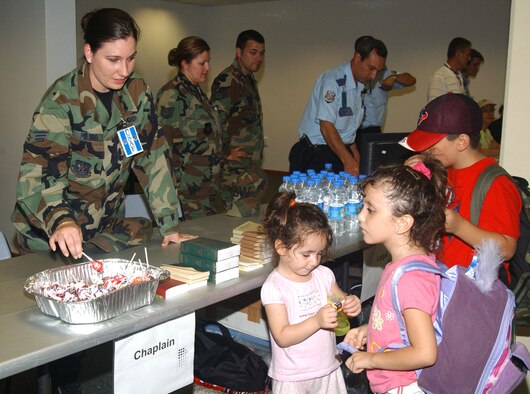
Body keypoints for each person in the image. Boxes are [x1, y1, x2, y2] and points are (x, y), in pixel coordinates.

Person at [12, 8, 192, 260]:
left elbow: (152, 159)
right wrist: (61, 221)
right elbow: (37, 178)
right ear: (89, 53)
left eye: (131, 58)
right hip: (52, 237)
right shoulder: (61, 103)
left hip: (103, 234)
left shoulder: (136, 92)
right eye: (113, 59)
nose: (124, 70)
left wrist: (170, 224)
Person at [343, 155, 447, 393]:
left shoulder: (411, 279)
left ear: (402, 223)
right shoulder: (402, 265)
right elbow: (399, 322)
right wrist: (370, 329)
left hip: (405, 387)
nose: (360, 216)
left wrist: (370, 359)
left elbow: (424, 353)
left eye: (370, 210)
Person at [400, 93, 521, 274]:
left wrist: (458, 226)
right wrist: (415, 179)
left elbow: (507, 249)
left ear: (461, 142)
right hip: (442, 277)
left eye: (431, 145)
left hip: (472, 291)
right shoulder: (444, 171)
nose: (425, 150)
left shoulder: (496, 184)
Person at [260, 191, 362, 393]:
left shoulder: (323, 275)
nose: (315, 261)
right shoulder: (274, 287)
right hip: (292, 378)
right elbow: (282, 336)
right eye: (306, 254)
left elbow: (340, 301)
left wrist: (351, 303)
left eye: (319, 254)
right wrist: (316, 321)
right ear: (280, 247)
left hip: (327, 369)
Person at [289, 36, 387, 176]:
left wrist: (355, 155)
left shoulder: (358, 86)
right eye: (371, 68)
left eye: (378, 71)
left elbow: (348, 129)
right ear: (358, 57)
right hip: (316, 155)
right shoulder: (333, 80)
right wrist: (348, 161)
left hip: (338, 152)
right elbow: (326, 126)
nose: (373, 76)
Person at [157, 36, 222, 220]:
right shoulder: (171, 96)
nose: (207, 68)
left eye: (208, 62)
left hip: (207, 185)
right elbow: (163, 145)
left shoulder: (197, 91)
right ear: (185, 64)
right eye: (202, 63)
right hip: (188, 190)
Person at [210, 30, 267, 217]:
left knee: (249, 219)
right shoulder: (228, 80)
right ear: (238, 52)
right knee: (232, 219)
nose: (258, 58)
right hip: (233, 171)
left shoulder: (248, 79)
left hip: (249, 167)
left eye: (261, 53)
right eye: (253, 52)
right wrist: (226, 152)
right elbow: (214, 123)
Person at [355, 63, 416, 151]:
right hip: (353, 131)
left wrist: (393, 78)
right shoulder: (354, 74)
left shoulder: (383, 74)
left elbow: (411, 80)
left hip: (374, 131)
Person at [427, 37, 472, 102]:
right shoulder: (439, 76)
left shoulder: (459, 77)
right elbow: (434, 108)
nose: (469, 58)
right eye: (467, 55)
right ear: (459, 54)